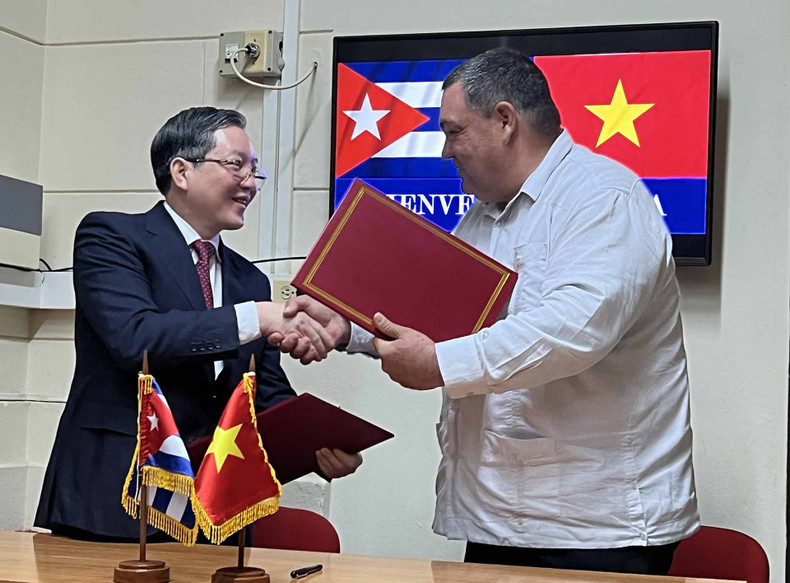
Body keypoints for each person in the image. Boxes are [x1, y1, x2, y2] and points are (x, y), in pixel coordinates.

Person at [271, 48, 699, 575]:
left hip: (596, 524)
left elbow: (572, 330)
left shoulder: (604, 199)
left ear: (504, 121)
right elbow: (439, 317)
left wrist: (440, 365)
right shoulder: (484, 216)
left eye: (454, 132)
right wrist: (348, 329)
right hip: (497, 515)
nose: (445, 152)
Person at [35, 106, 362, 541]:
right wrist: (256, 317)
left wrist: (316, 443)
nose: (250, 182)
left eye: (255, 171)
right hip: (115, 495)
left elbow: (260, 392)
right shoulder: (110, 237)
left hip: (213, 507)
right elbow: (136, 339)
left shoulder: (249, 278)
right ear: (182, 171)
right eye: (236, 165)